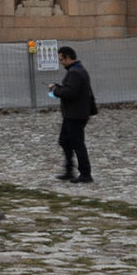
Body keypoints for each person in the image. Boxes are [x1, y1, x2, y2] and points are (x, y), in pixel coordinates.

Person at [49, 45, 96, 183]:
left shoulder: (75, 72)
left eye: (61, 59)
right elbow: (71, 89)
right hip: (72, 114)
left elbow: (70, 93)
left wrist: (55, 90)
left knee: (77, 144)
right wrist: (59, 87)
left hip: (75, 115)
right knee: (65, 141)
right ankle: (69, 170)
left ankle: (85, 174)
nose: (61, 62)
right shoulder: (77, 70)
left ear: (68, 57)